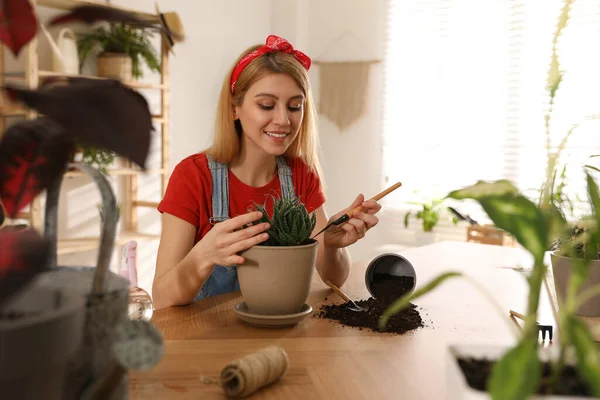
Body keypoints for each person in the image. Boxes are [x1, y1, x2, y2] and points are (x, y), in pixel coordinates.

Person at [152, 35, 381, 309]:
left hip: (283, 337)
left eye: (295, 106)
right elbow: (162, 298)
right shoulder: (193, 176)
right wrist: (205, 253)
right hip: (212, 342)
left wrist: (333, 247)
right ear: (235, 107)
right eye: (266, 105)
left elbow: (334, 279)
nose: (284, 120)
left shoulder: (301, 175)